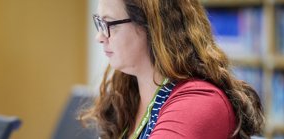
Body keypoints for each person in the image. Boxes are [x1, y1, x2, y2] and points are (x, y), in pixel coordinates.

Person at [79, 0, 265, 139]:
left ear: (151, 26)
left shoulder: (200, 102)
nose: (100, 37)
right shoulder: (128, 93)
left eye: (109, 24)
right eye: (99, 22)